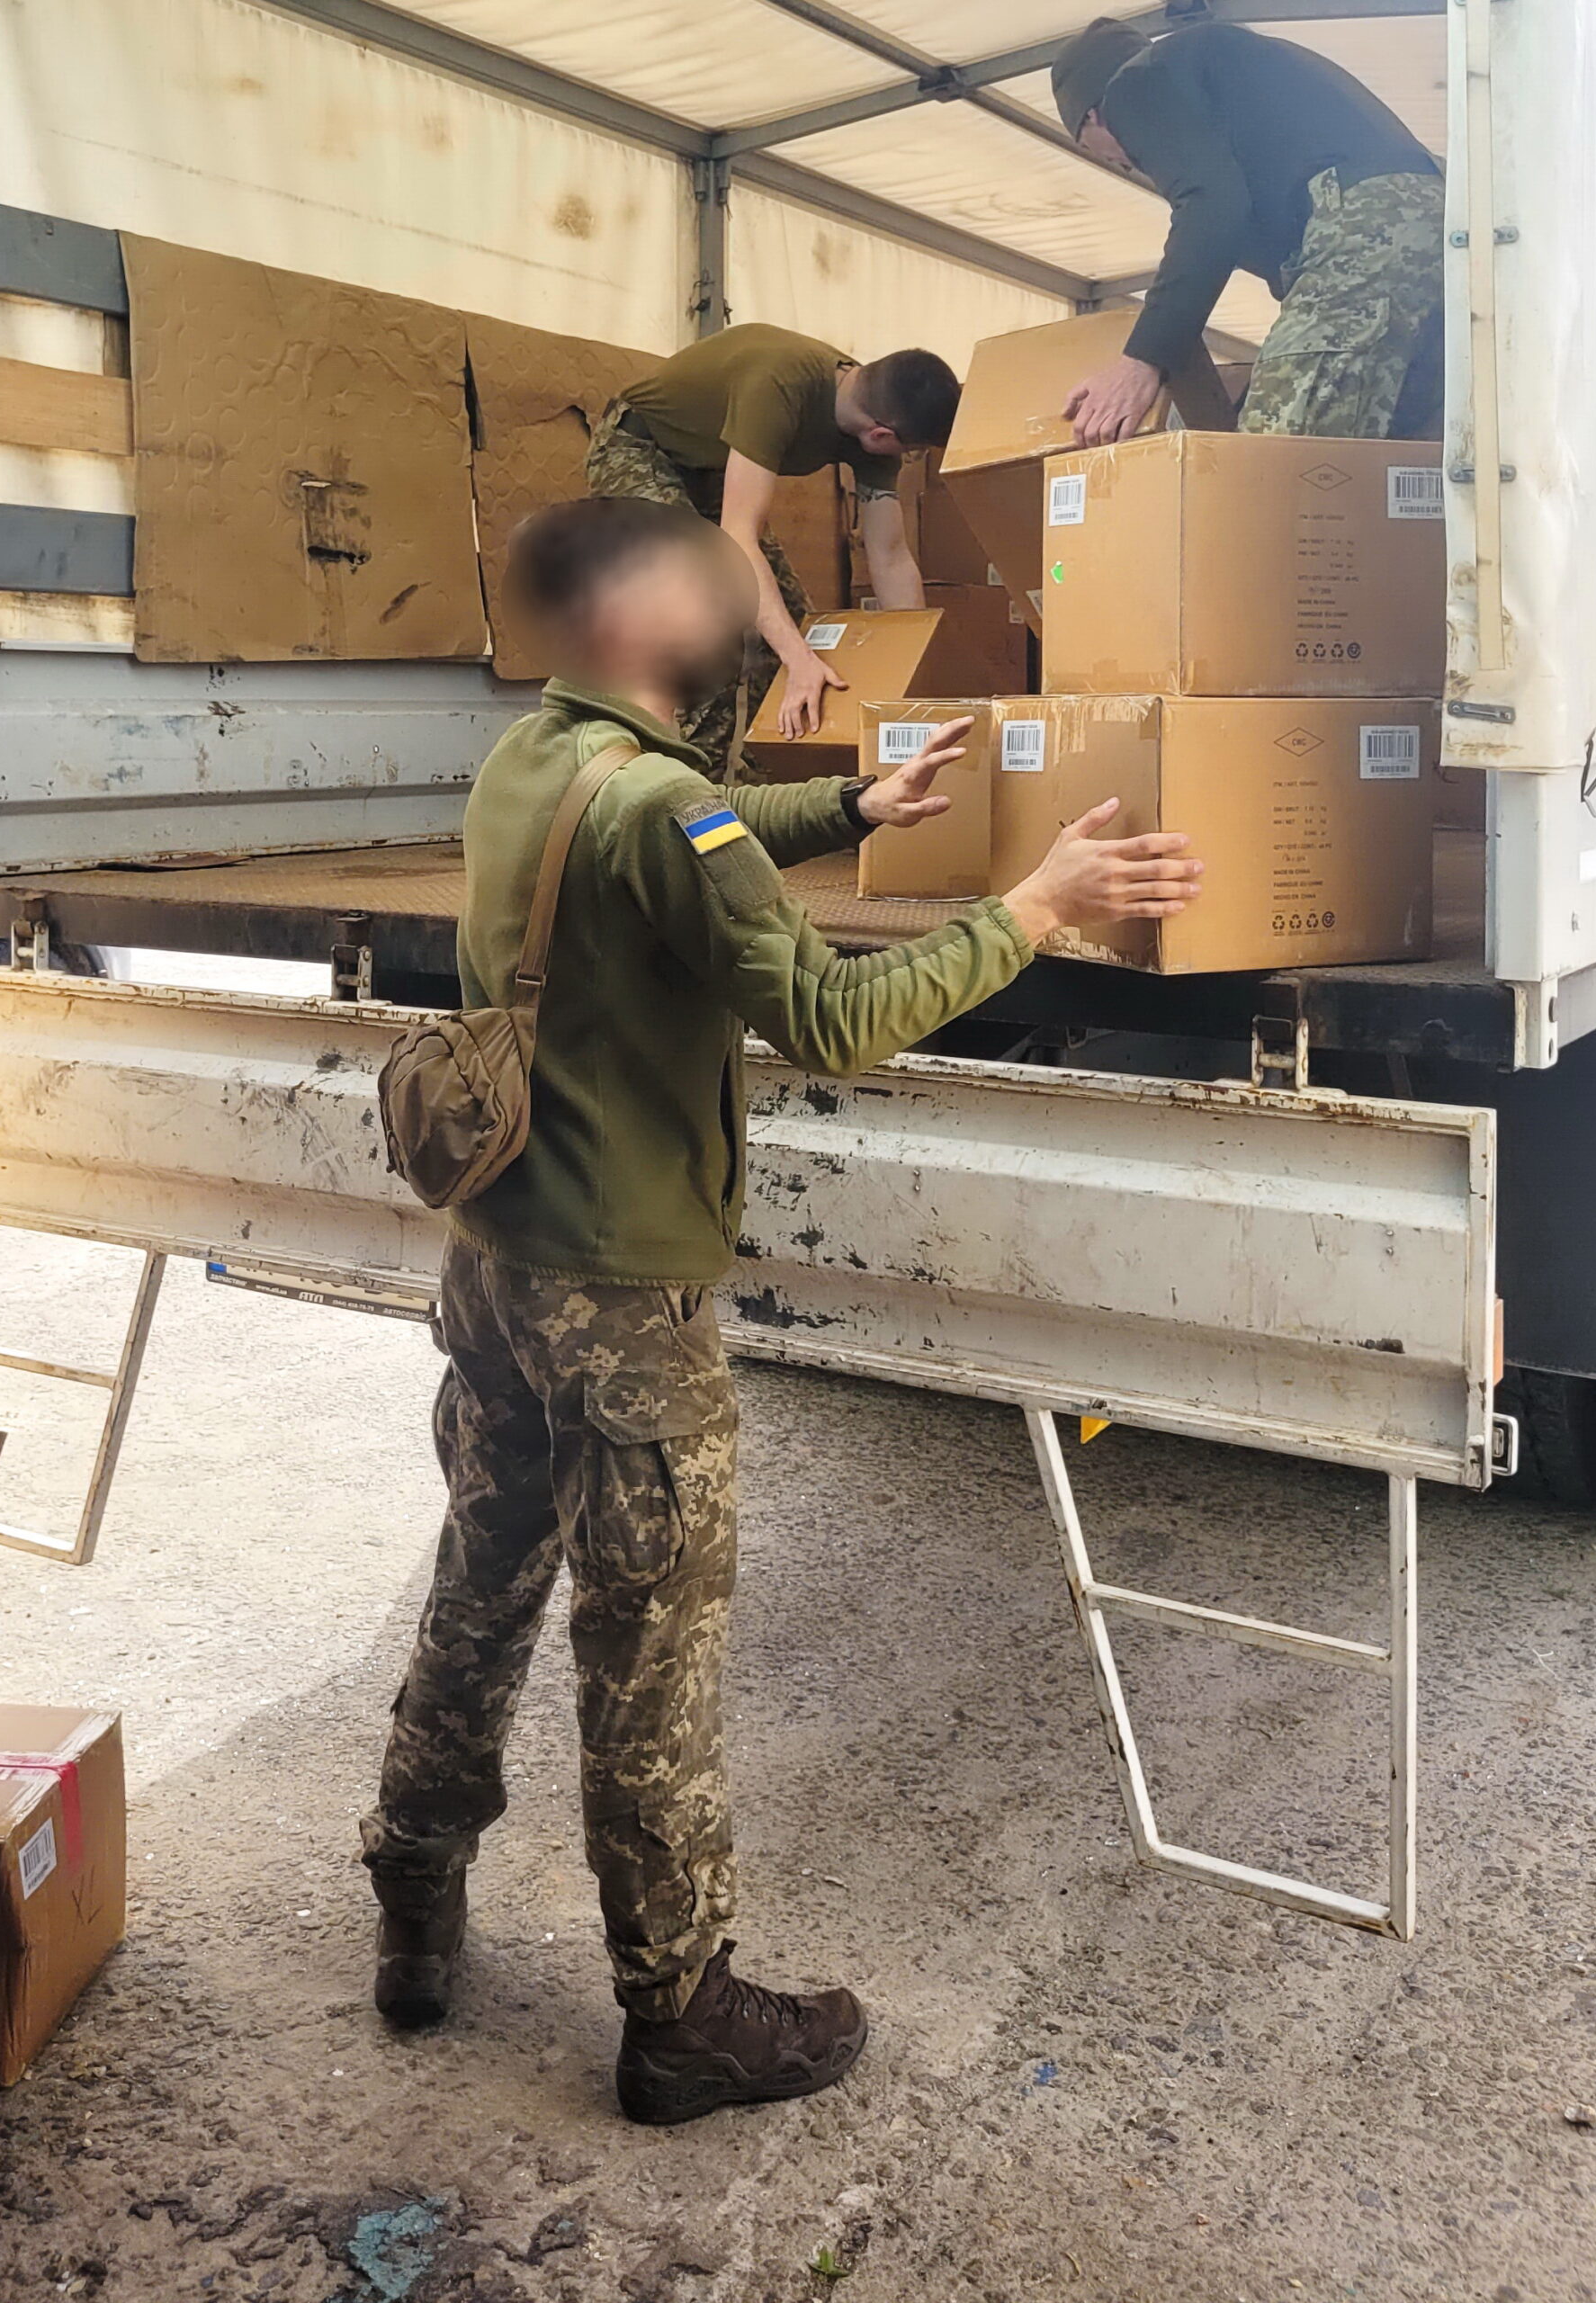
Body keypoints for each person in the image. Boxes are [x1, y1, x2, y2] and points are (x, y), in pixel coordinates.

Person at [358, 494, 1202, 2126]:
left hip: (498, 1267)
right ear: (630, 621)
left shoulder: (534, 761)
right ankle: (679, 2012)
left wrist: (850, 805)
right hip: (622, 1302)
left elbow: (684, 843)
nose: (733, 612)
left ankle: (412, 1886)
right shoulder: (662, 806)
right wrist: (1034, 908)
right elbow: (829, 1016)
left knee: (482, 1581)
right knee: (649, 1649)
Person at [586, 324, 960, 776]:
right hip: (637, 449)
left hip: (711, 467)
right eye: (915, 451)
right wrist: (798, 660)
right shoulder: (779, 386)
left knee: (798, 628)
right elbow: (738, 539)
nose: (909, 458)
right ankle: (691, 790)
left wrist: (914, 673)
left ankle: (770, 788)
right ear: (881, 435)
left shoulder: (874, 423)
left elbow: (891, 555)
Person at [1049, 16, 1444, 445]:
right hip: (1443, 229)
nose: (1122, 163)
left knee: (1266, 461)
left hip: (1371, 226)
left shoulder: (1135, 85)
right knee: (1384, 456)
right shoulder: (1231, 85)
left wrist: (1142, 360)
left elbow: (1209, 208)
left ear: (1093, 114)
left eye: (1092, 148)